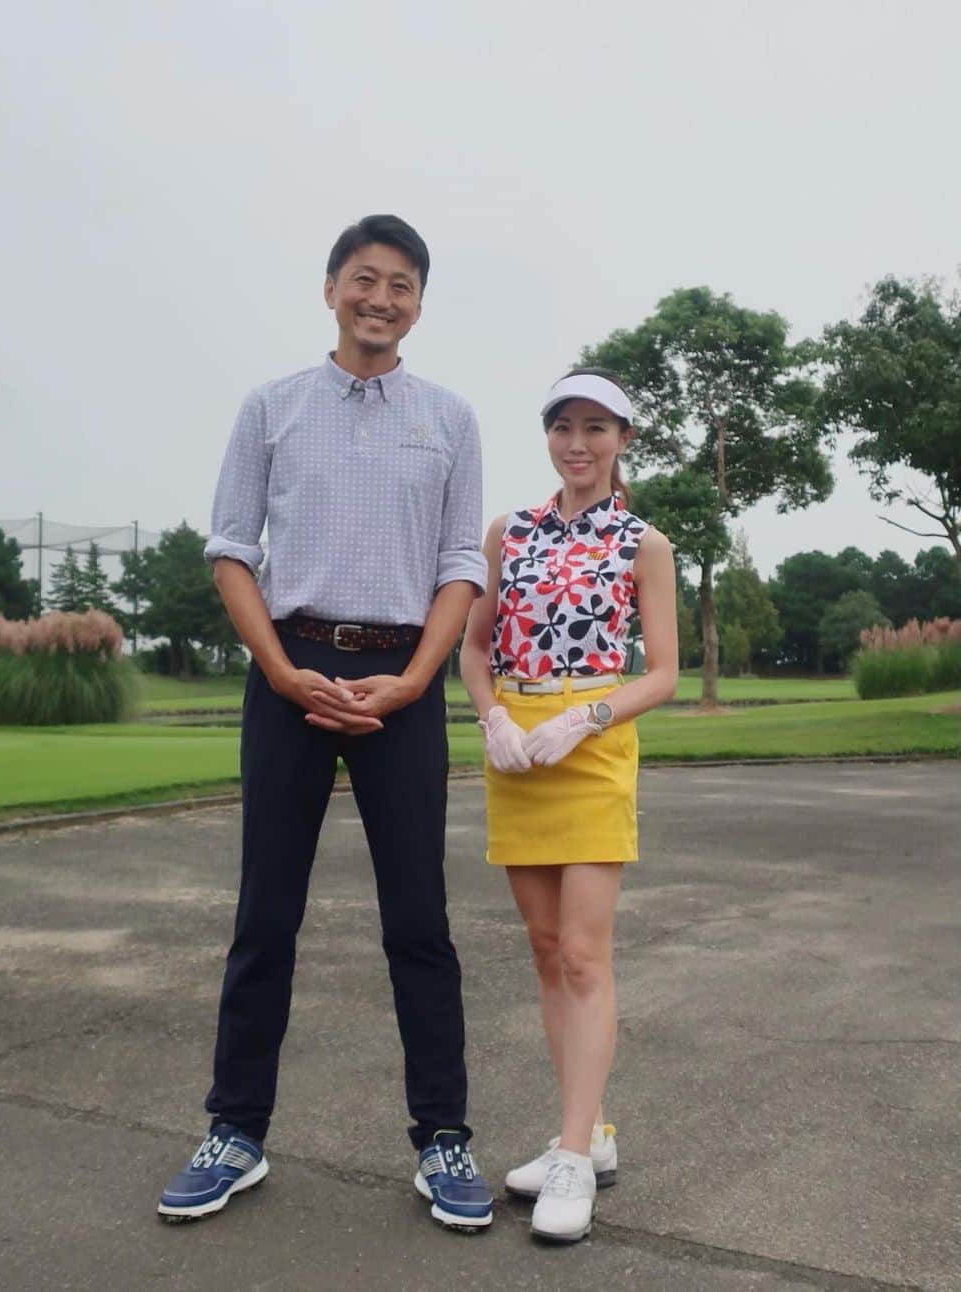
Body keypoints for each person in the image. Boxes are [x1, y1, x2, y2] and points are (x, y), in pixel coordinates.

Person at [157, 215, 494, 1232]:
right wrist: (281, 670)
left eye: (401, 285)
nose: (380, 298)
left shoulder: (449, 418)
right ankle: (236, 1130)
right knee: (265, 913)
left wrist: (414, 680)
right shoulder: (272, 407)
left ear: (419, 304)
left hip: (404, 677)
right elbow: (231, 547)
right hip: (290, 667)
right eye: (364, 278)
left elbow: (460, 564)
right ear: (332, 288)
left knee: (419, 920)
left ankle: (443, 1137)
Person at [459, 367, 678, 1243]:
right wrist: (493, 718)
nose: (577, 444)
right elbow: (475, 649)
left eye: (596, 427)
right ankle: (588, 1132)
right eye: (563, 426)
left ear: (623, 439)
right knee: (548, 951)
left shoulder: (643, 543)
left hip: (591, 747)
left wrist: (586, 717)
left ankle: (575, 1157)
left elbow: (661, 672)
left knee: (585, 955)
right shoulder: (507, 532)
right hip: (518, 751)